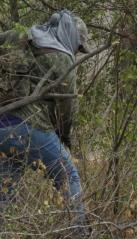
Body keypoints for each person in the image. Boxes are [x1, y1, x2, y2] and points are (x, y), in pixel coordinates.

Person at [0, 10, 89, 226]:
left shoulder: (23, 36)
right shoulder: (63, 57)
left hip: (2, 128)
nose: (76, 52)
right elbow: (67, 109)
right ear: (71, 36)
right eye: (78, 47)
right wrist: (64, 139)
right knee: (69, 176)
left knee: (6, 184)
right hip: (28, 127)